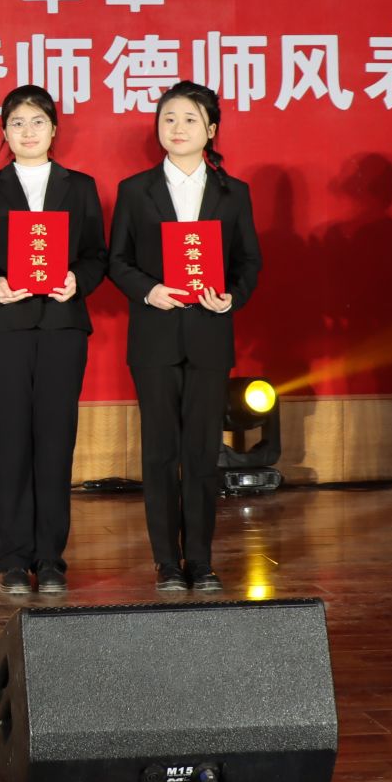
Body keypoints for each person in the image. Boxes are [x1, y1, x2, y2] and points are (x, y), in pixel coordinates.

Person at [108, 80, 263, 594]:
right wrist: (149, 290)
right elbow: (117, 260)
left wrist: (231, 297)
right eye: (169, 118)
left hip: (208, 335)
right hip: (154, 337)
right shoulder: (136, 190)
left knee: (200, 452)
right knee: (159, 453)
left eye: (190, 119)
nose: (177, 128)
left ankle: (199, 559)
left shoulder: (232, 192)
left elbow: (249, 262)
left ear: (211, 130)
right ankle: (166, 562)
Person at [0, 86, 108, 596]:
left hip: (62, 327)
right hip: (5, 329)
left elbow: (96, 254)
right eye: (17, 123)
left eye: (38, 122)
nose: (28, 131)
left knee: (55, 441)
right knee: (7, 442)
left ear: (54, 129)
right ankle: (11, 559)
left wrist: (78, 280)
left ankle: (50, 560)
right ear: (4, 131)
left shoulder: (79, 186)